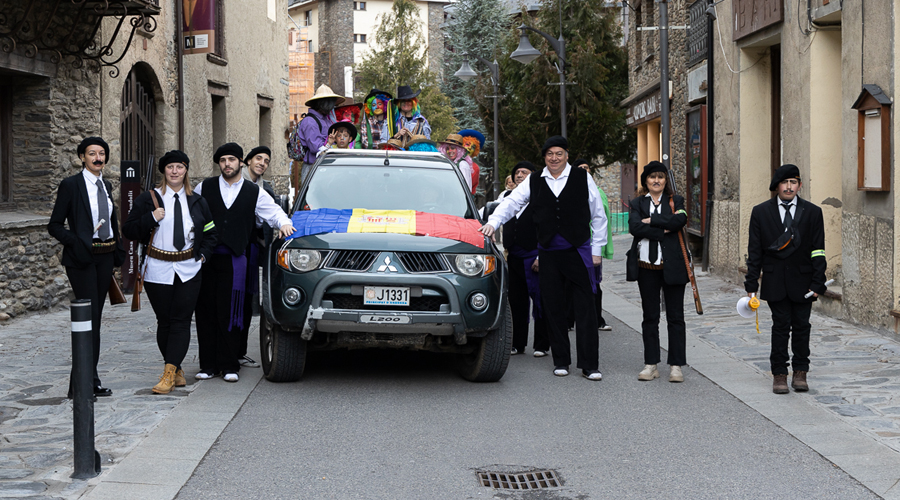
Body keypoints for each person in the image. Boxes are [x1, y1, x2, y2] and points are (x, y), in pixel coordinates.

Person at [481, 136, 608, 381]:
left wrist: (597, 251)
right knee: (553, 306)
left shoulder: (583, 178)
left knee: (585, 310)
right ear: (544, 157)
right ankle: (561, 361)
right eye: (549, 154)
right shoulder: (534, 180)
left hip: (579, 252)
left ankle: (589, 365)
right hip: (549, 252)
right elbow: (512, 202)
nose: (554, 158)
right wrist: (494, 222)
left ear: (567, 155)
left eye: (559, 153)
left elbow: (599, 216)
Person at [193, 143, 296, 383]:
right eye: (222, 160)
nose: (227, 164)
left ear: (241, 162)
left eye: (231, 159)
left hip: (235, 258)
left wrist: (284, 223)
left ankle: (229, 365)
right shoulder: (204, 187)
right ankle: (208, 365)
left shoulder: (254, 191)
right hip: (206, 258)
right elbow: (190, 213)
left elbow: (273, 212)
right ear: (219, 164)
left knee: (231, 311)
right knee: (206, 311)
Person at [122, 150, 217, 394]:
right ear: (164, 171)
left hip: (188, 268)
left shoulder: (197, 201)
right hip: (157, 268)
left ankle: (168, 374)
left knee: (181, 320)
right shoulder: (148, 199)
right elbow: (130, 230)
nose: (175, 171)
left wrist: (203, 255)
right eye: (170, 167)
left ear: (186, 170)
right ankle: (177, 369)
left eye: (179, 167)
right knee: (164, 322)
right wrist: (151, 218)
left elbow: (211, 232)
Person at [48, 137, 125, 399]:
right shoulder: (71, 185)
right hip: (81, 260)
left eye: (102, 153)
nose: (97, 158)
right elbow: (55, 225)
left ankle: (87, 382)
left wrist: (119, 250)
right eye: (92, 153)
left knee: (96, 321)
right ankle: (81, 386)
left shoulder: (106, 184)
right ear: (82, 157)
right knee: (87, 320)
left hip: (105, 258)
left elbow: (112, 219)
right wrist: (77, 244)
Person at [745, 164, 827, 394]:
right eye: (785, 182)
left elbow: (818, 250)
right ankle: (779, 374)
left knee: (802, 327)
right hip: (775, 280)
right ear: (776, 186)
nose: (789, 187)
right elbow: (755, 252)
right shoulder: (761, 212)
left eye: (794, 182)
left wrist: (818, 282)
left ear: (799, 185)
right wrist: (751, 285)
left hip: (804, 281)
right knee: (780, 327)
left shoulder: (812, 212)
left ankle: (801, 372)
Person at [626, 161, 689, 383]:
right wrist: (665, 229)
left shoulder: (676, 201)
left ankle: (676, 365)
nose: (656, 181)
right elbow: (634, 227)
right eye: (652, 177)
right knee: (650, 316)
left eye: (660, 177)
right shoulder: (636, 203)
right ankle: (651, 364)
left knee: (675, 317)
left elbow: (680, 220)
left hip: (672, 265)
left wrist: (652, 221)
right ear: (646, 181)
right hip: (646, 268)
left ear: (665, 181)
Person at [502, 161, 550, 358]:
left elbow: (547, 230)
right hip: (513, 257)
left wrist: (541, 255)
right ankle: (517, 343)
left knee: (540, 301)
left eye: (525, 172)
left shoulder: (541, 198)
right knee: (515, 302)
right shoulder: (507, 197)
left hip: (534, 257)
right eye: (517, 172)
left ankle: (542, 344)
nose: (520, 175)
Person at [241, 145, 276, 368]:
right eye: (258, 159)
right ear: (247, 161)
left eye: (266, 161)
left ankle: (240, 351)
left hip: (254, 248)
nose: (262, 163)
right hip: (234, 248)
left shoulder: (267, 189)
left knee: (248, 301)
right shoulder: (236, 184)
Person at [572, 158, 614, 331]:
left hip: (594, 245)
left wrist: (602, 246)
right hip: (577, 244)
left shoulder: (598, 192)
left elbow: (604, 219)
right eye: (580, 168)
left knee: (595, 284)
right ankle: (570, 320)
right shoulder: (572, 192)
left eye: (586, 168)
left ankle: (597, 319)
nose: (584, 170)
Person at [296, 85, 343, 187]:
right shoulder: (310, 121)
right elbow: (315, 148)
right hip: (313, 167)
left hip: (326, 165)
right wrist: (329, 143)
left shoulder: (326, 119)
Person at [459, 129, 483, 194]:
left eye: (473, 147)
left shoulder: (474, 167)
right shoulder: (453, 161)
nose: (469, 148)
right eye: (467, 144)